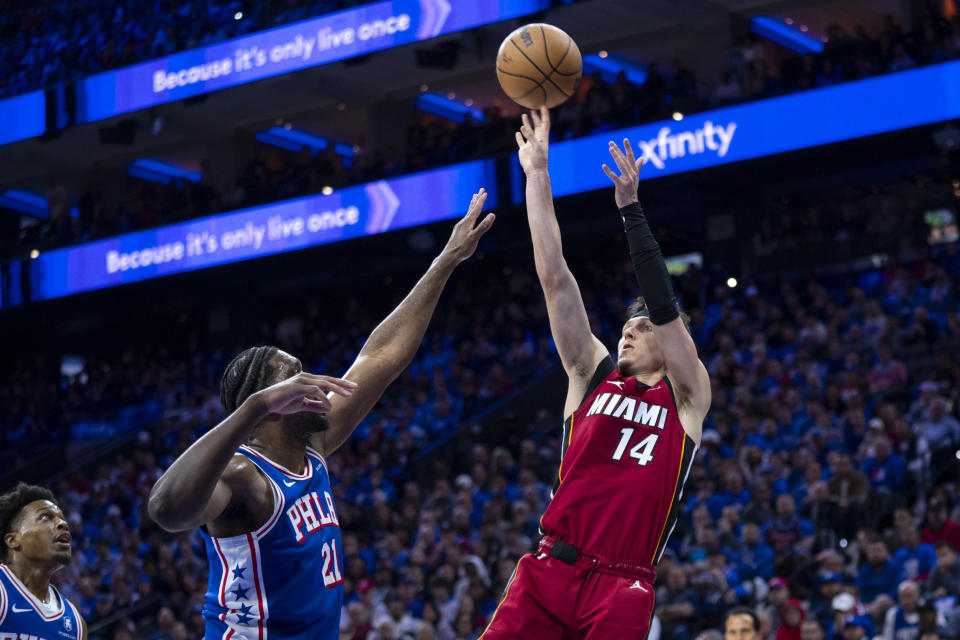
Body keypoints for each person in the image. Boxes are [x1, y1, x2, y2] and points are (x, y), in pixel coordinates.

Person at [148, 191, 496, 640]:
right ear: (268, 404)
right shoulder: (243, 477)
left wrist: (445, 261)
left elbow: (382, 356)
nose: (312, 383)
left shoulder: (313, 446)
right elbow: (166, 510)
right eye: (295, 378)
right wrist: (253, 408)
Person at [481, 108, 709, 638]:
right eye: (628, 325)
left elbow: (665, 304)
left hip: (622, 582)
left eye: (643, 327)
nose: (629, 330)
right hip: (550, 567)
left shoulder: (688, 397)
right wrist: (536, 175)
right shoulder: (591, 373)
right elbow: (555, 278)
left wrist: (630, 211)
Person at [0, 482, 86, 639]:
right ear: (13, 540)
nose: (63, 524)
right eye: (45, 517)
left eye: (62, 518)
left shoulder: (76, 625)